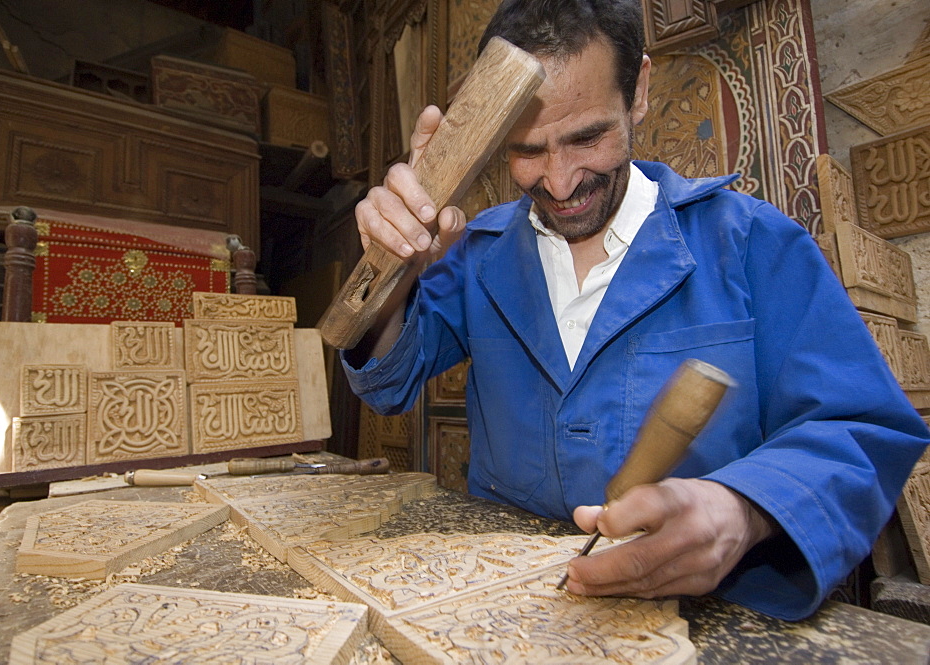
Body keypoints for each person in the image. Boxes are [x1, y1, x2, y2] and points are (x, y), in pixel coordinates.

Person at [341, 0, 930, 621]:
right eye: (526, 151)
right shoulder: (476, 255)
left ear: (639, 92)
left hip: (707, 617)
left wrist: (746, 508)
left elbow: (861, 432)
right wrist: (394, 265)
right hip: (516, 615)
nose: (561, 182)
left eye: (587, 137)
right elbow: (388, 382)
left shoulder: (753, 243)